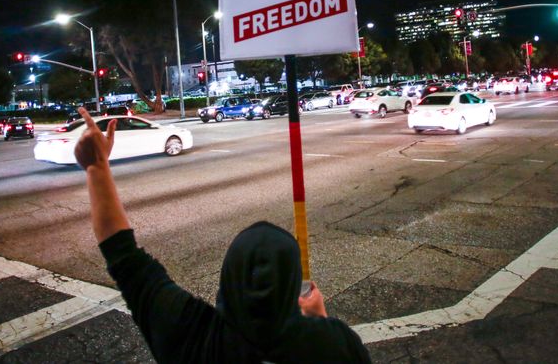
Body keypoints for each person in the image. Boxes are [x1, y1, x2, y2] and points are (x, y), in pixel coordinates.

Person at [74, 108, 371, 363]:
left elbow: (122, 254)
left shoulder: (193, 334)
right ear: (292, 283)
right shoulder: (336, 346)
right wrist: (319, 322)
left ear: (228, 278)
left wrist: (96, 167)